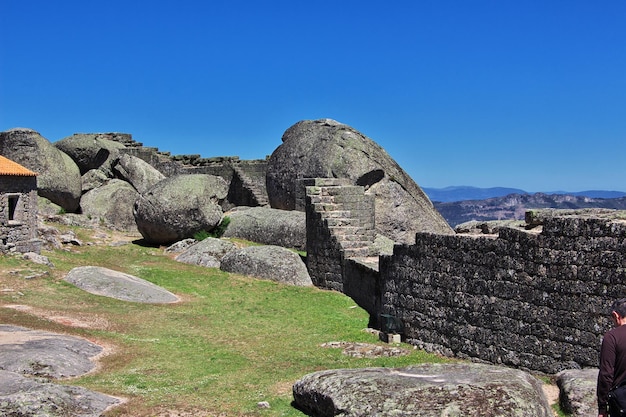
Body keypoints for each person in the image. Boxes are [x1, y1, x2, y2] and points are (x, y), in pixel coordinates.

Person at [598, 298, 626, 417]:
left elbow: (606, 374)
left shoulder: (612, 338)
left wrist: (602, 407)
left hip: (621, 403)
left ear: (616, 315)